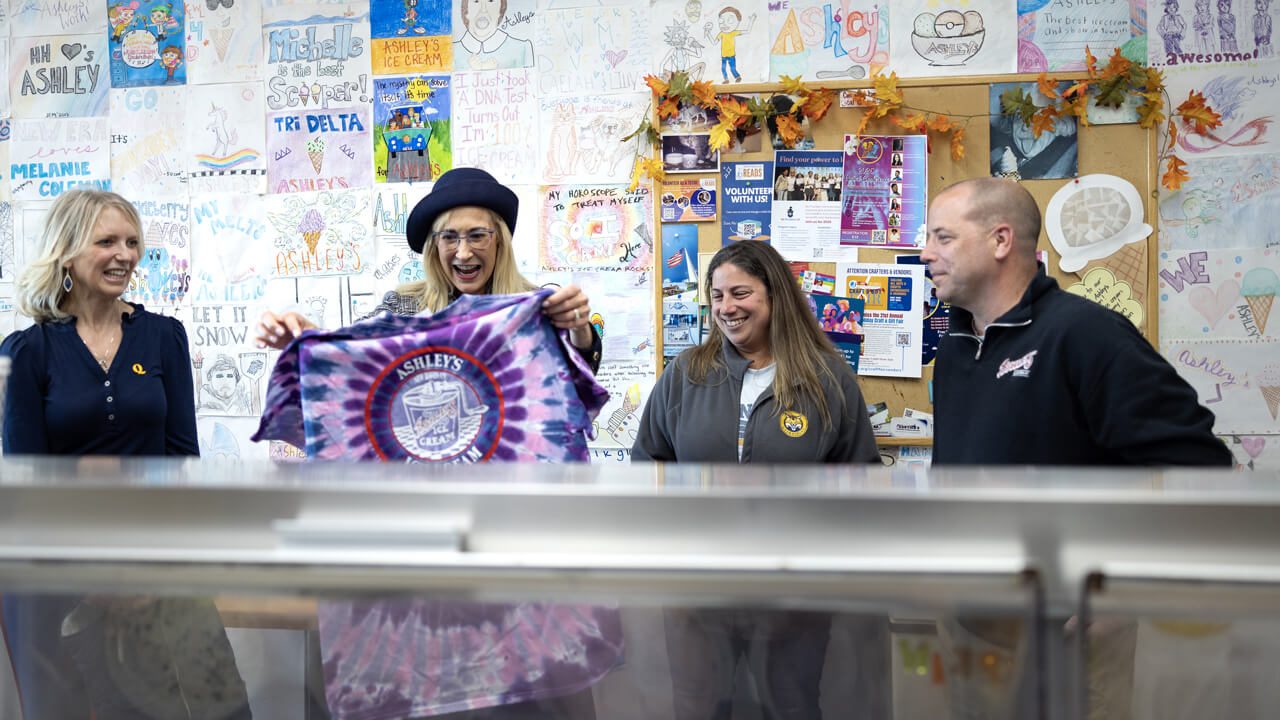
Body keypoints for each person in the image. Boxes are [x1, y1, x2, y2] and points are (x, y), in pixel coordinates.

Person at [0, 189, 250, 719]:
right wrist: (98, 580)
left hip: (163, 570)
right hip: (73, 589)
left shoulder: (163, 337)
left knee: (217, 708)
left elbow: (183, 462)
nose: (126, 255)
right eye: (107, 241)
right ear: (67, 253)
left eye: (133, 242)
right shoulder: (28, 353)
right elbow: (28, 491)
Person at [631, 241, 878, 720]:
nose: (726, 308)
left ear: (774, 295)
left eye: (740, 293)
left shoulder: (827, 378)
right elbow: (648, 469)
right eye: (717, 295)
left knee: (791, 707)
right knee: (699, 707)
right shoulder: (686, 374)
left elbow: (859, 483)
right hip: (697, 591)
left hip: (792, 592)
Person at [921, 177, 1232, 465]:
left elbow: (1196, 465)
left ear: (1001, 240)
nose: (926, 254)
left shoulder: (1088, 334)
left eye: (943, 238)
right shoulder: (954, 346)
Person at [257, 167, 601, 373]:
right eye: (449, 237)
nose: (463, 253)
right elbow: (355, 354)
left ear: (500, 242)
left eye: (478, 236)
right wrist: (309, 338)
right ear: (434, 246)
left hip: (512, 480)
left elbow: (580, 380)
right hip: (430, 479)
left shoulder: (536, 308)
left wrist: (579, 328)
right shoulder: (404, 307)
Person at [452, 0, 534, 70]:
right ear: (466, 9)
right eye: (476, 1)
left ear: (501, 8)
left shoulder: (522, 48)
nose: (483, 10)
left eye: (491, 0)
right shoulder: (451, 52)